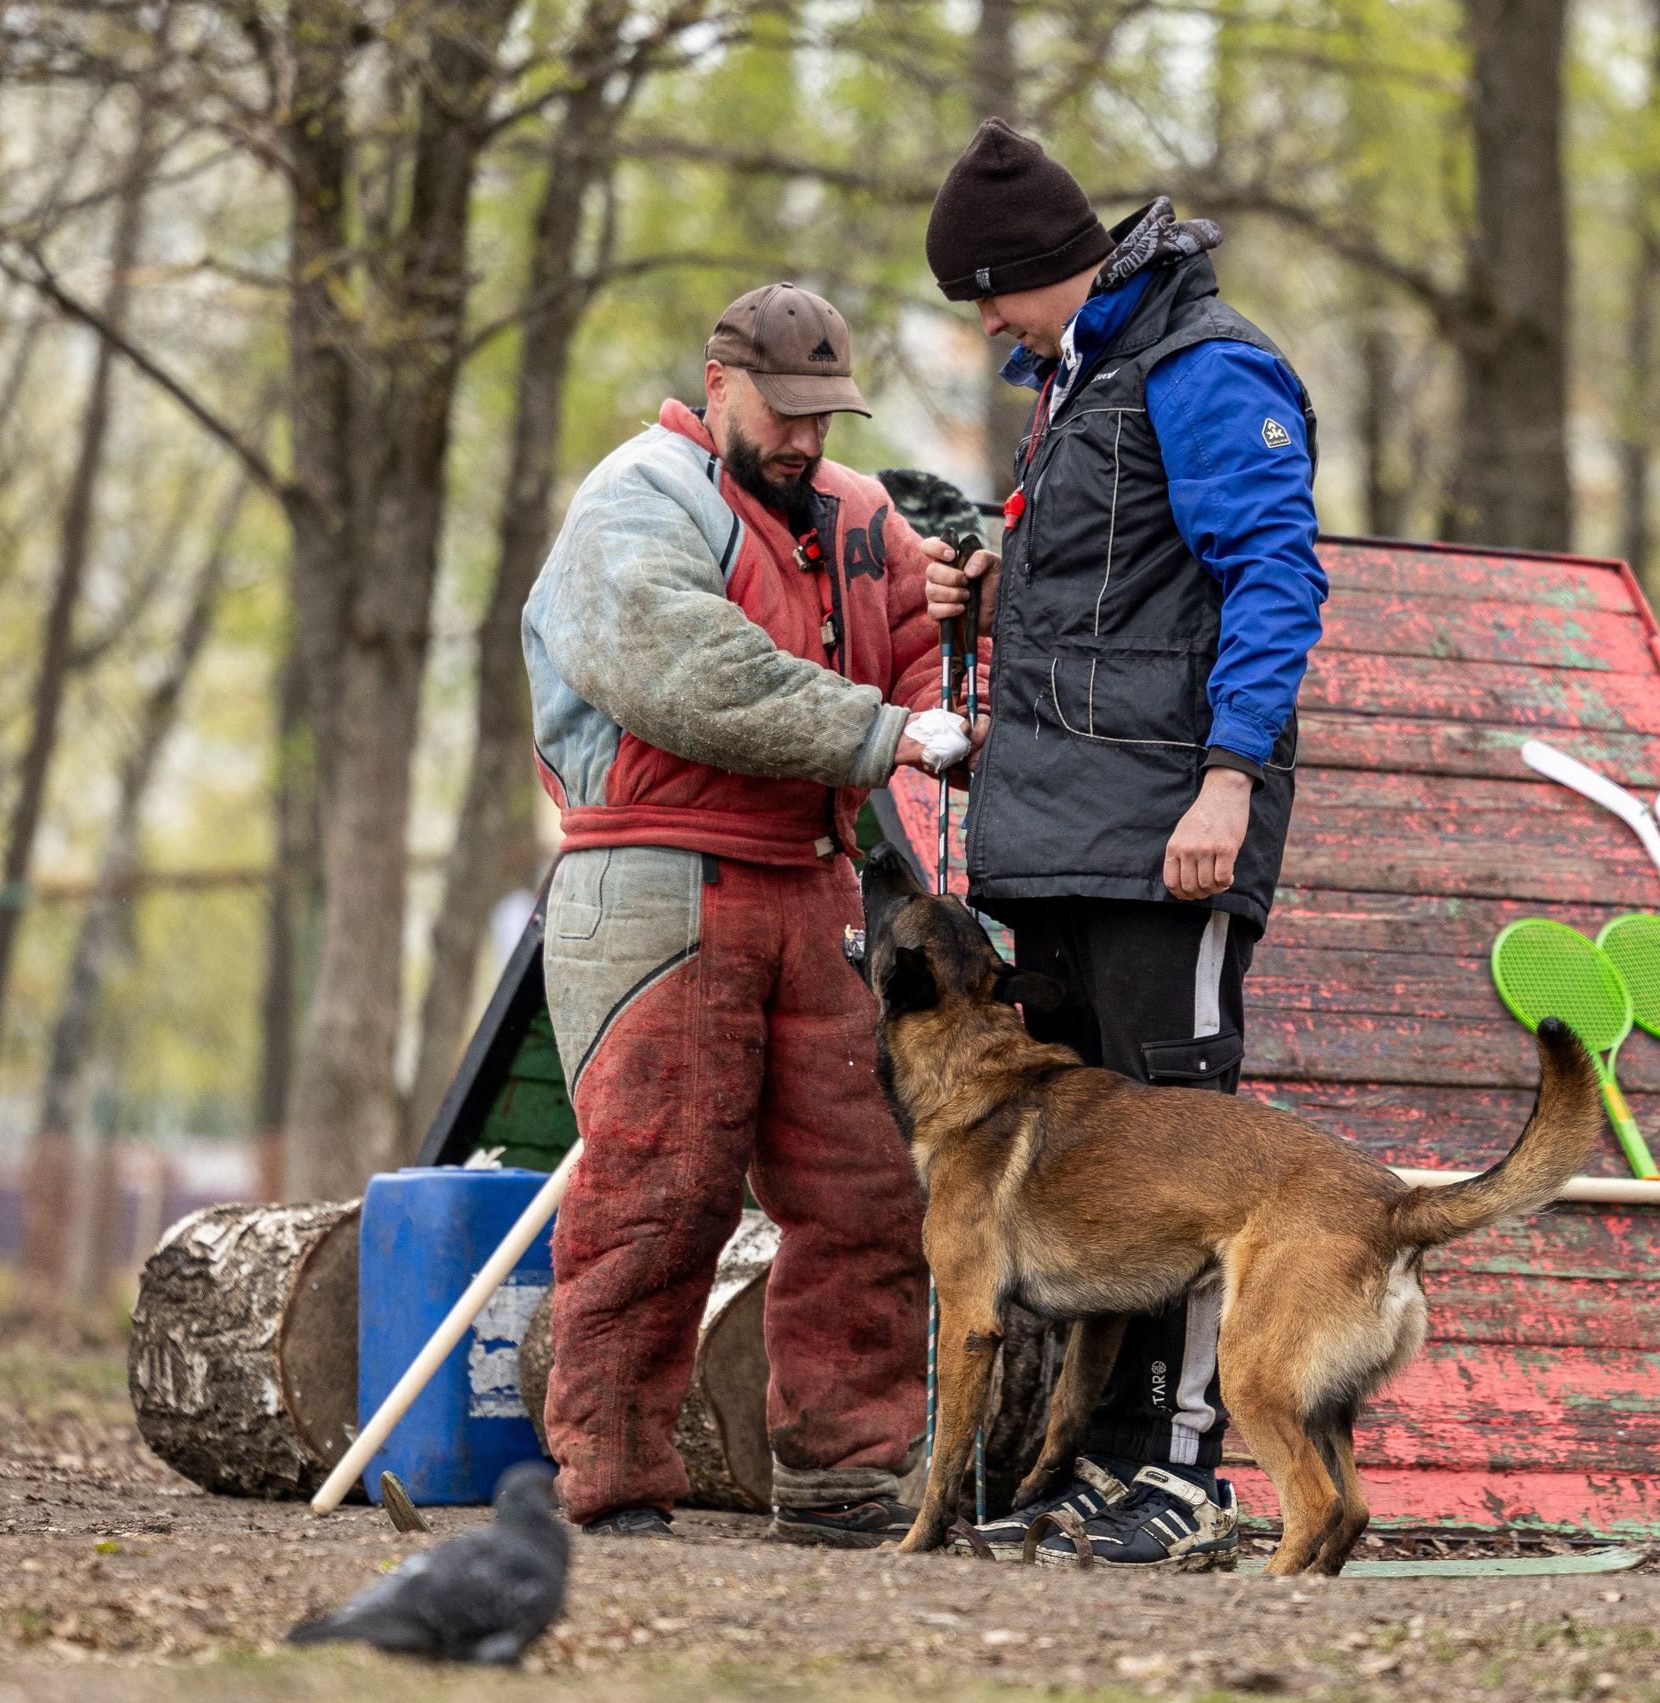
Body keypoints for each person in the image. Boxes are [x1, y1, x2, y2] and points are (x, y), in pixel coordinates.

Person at [921, 120, 1329, 1569]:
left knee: (1200, 1164)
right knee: (1101, 1180)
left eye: (992, 293)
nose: (986, 325)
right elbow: (1114, 592)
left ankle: (1188, 1467)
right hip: (1059, 839)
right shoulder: (1077, 378)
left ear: (1047, 266)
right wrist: (986, 586)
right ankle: (1097, 1465)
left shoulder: (1204, 366)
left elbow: (1272, 575)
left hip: (1170, 836)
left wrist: (1228, 780)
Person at [523, 282, 972, 1547]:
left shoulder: (861, 514)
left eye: (826, 415)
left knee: (869, 1188)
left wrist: (959, 652)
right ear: (715, 384)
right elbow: (691, 676)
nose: (806, 439)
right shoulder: (634, 503)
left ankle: (846, 1473)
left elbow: (921, 663)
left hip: (816, 875)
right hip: (655, 875)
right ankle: (609, 1480)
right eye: (783, 411)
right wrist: (887, 731)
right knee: (659, 1191)